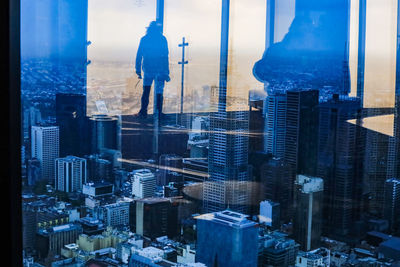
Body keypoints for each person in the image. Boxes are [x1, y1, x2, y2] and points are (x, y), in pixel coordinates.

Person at [135, 21, 170, 119]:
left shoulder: (145, 39)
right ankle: (158, 112)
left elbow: (139, 55)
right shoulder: (162, 39)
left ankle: (143, 112)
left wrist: (138, 69)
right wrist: (166, 72)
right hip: (160, 70)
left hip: (148, 69)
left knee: (146, 91)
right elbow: (165, 56)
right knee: (159, 91)